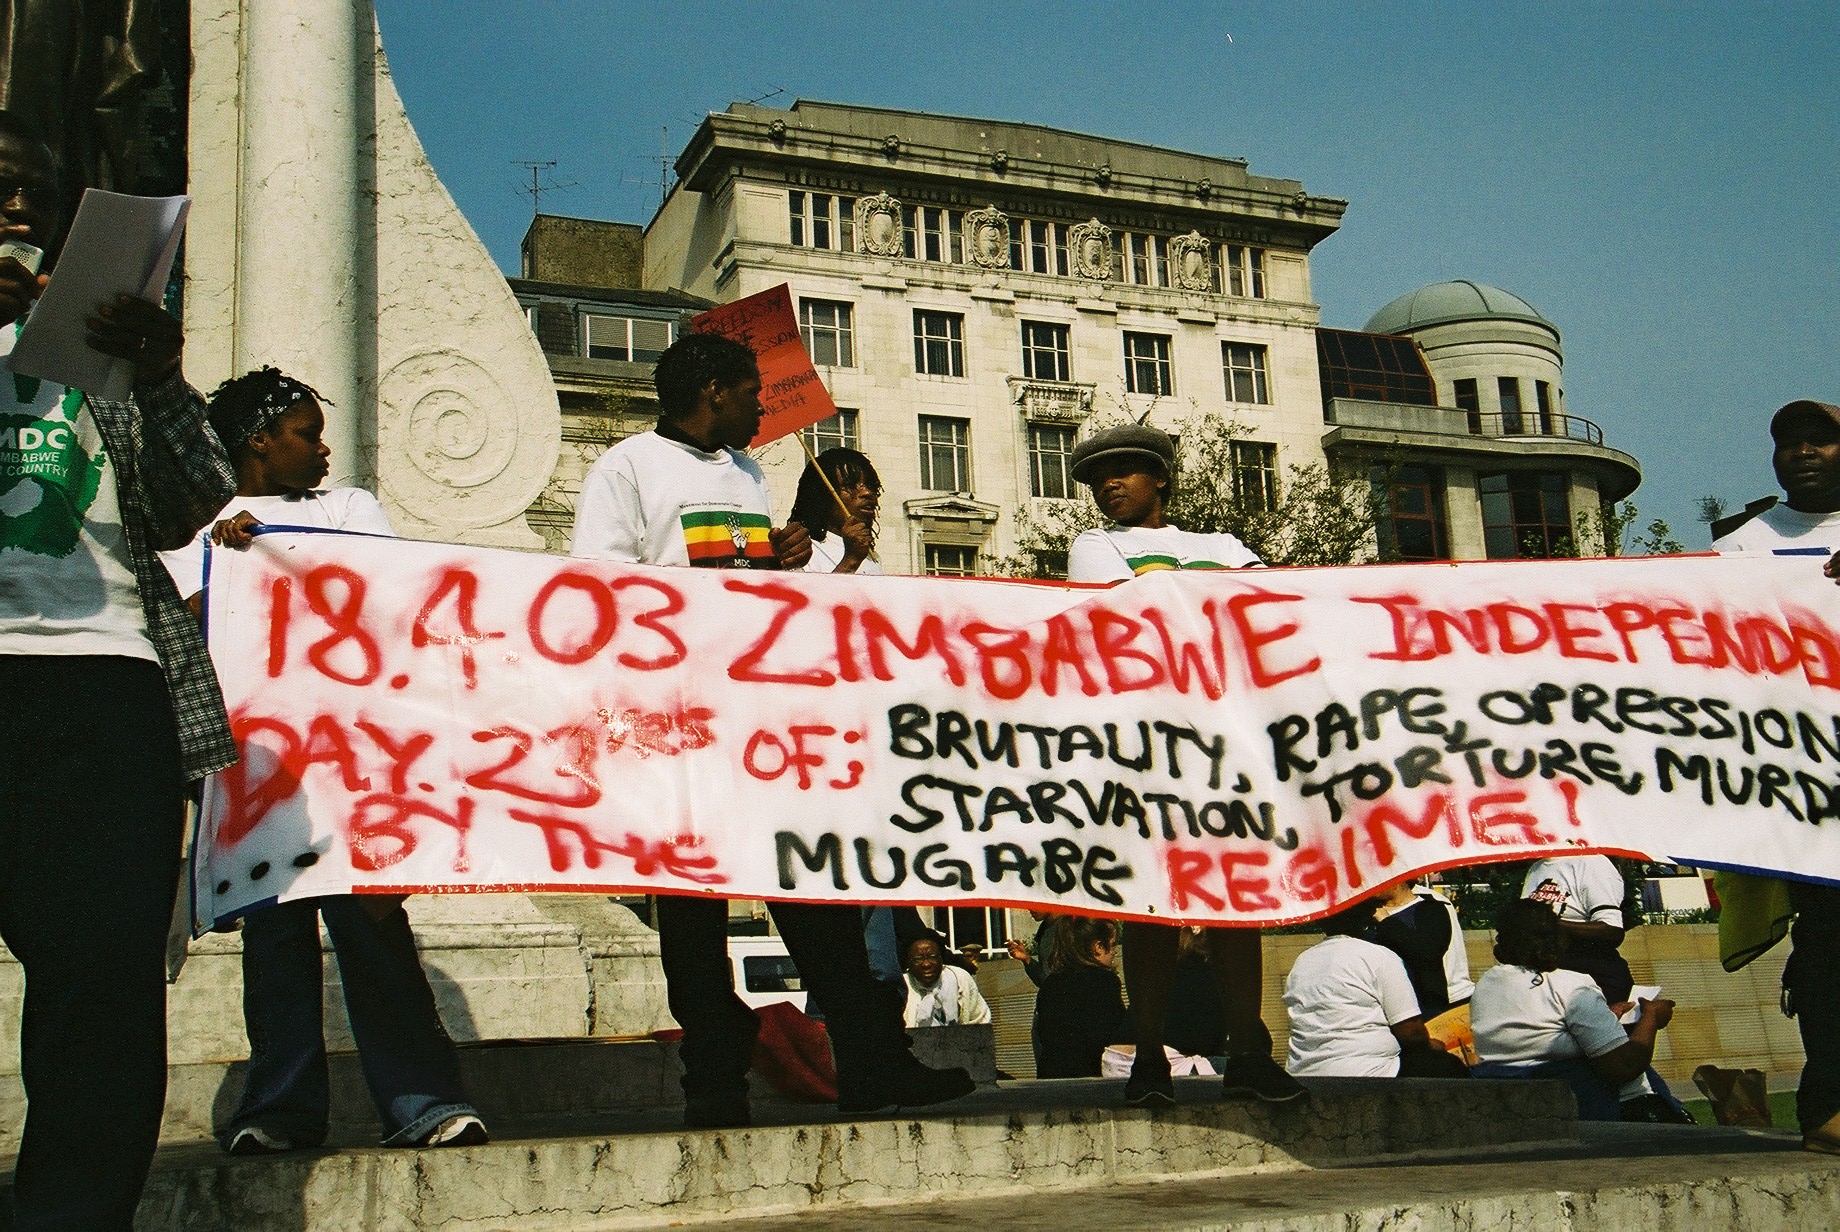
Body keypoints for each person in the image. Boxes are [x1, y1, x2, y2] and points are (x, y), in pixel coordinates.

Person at [570, 331, 973, 1126]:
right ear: (715, 390)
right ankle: (714, 1079)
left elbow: (756, 588)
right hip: (676, 723)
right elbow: (599, 586)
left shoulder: (750, 474)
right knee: (692, 917)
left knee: (813, 893)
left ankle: (871, 1063)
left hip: (759, 722)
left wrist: (784, 562)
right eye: (752, 390)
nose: (763, 403)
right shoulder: (627, 467)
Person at [0, 113, 236, 1229]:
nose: (18, 213)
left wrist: (166, 377)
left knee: (99, 995)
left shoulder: (99, 354)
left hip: (105, 680)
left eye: (33, 198)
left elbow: (195, 502)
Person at [161, 367, 486, 1153]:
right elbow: (192, 629)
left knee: (374, 928)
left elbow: (384, 592)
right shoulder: (194, 528)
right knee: (275, 940)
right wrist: (226, 562)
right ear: (258, 442)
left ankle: (424, 1103)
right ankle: (279, 1111)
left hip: (355, 762)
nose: (323, 446)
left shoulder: (346, 508)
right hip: (257, 771)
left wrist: (274, 553)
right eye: (306, 433)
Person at [1062, 422, 1304, 1108]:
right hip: (1144, 748)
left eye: (1125, 472)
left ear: (1161, 478)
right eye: (1096, 478)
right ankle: (1148, 1055)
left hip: (1224, 748)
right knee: (1150, 904)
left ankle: (1248, 1048)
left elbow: (1272, 610)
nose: (1109, 485)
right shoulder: (1096, 546)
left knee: (1235, 901)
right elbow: (1125, 619)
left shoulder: (1220, 546)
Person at [1723, 397, 1840, 1151]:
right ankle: (1827, 1105)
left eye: (1822, 442)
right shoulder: (1741, 549)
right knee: (1829, 944)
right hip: (1804, 780)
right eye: (1788, 443)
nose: (1802, 452)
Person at [1470, 899, 1675, 1121]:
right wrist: (1652, 1018)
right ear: (1559, 938)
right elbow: (1624, 1066)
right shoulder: (1571, 985)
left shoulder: (1486, 984)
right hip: (1581, 1110)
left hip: (1510, 1104)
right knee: (1646, 1078)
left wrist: (1606, 1016)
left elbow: (1536, 1030)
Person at [1283, 899, 1468, 1080]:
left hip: (1303, 1073)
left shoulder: (1302, 962)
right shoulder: (1379, 957)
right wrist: (1432, 1045)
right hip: (1371, 1072)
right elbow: (1411, 1032)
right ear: (1369, 913)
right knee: (1450, 1067)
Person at [1520, 854, 1634, 1003]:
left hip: (1593, 979)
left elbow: (1612, 931)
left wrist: (1552, 924)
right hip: (1547, 978)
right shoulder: (1537, 868)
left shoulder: (1592, 863)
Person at [1033, 917, 1128, 1079]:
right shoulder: (1106, 981)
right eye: (1112, 945)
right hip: (1090, 1075)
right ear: (1098, 947)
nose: (1115, 951)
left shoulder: (1051, 983)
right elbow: (1114, 1032)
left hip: (1051, 1075)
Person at [788, 445, 879, 575]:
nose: (867, 492)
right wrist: (851, 560)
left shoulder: (872, 556)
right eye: (850, 485)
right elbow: (811, 596)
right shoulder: (804, 551)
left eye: (870, 485)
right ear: (823, 496)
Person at [902, 936, 991, 1028]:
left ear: (941, 959)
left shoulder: (959, 978)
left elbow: (981, 1020)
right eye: (918, 959)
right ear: (909, 963)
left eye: (932, 957)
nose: (926, 964)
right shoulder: (901, 986)